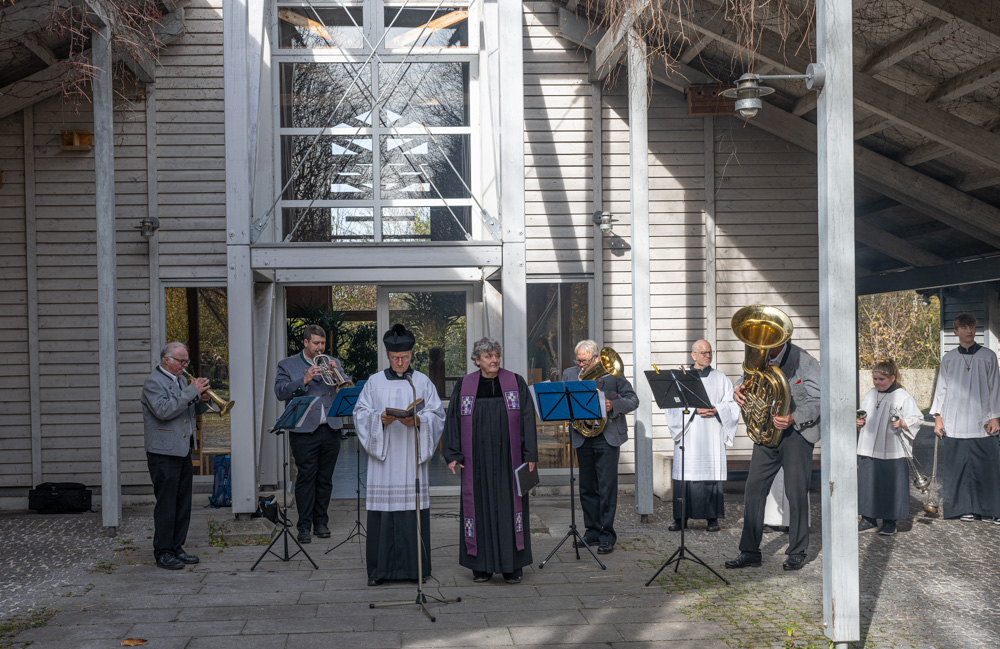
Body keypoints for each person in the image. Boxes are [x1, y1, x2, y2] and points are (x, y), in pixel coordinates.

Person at [353, 324, 446, 586]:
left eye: (405, 358)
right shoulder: (374, 382)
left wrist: (419, 422)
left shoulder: (422, 382)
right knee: (384, 512)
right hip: (384, 461)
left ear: (411, 354)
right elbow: (360, 414)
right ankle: (379, 571)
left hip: (410, 457)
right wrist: (379, 419)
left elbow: (437, 415)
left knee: (411, 508)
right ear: (387, 355)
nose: (400, 363)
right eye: (395, 358)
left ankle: (414, 570)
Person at [443, 337, 538, 583]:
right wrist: (453, 454)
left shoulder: (515, 382)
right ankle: (481, 566)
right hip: (477, 460)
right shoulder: (465, 385)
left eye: (496, 355)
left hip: (510, 459)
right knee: (479, 507)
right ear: (477, 360)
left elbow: (527, 418)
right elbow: (452, 420)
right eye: (488, 356)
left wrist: (530, 454)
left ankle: (512, 566)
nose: (494, 360)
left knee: (510, 507)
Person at [725, 338, 820, 571]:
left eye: (769, 341)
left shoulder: (805, 361)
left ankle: (797, 551)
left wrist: (793, 417)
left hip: (796, 434)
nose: (762, 346)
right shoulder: (758, 357)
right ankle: (749, 551)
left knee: (796, 494)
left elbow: (820, 399)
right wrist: (738, 390)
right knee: (754, 490)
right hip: (766, 433)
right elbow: (745, 380)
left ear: (782, 338)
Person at [563, 340, 639, 555]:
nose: (581, 365)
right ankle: (592, 531)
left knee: (606, 488)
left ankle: (607, 535)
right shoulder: (569, 374)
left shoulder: (612, 374)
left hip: (607, 437)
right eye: (578, 360)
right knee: (587, 487)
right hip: (583, 436)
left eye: (585, 361)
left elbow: (633, 400)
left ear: (596, 358)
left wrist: (613, 404)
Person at [274, 324, 347, 544]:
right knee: (306, 478)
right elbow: (280, 392)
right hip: (304, 430)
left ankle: (321, 522)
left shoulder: (332, 362)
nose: (320, 347)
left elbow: (344, 387)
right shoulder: (287, 364)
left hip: (331, 428)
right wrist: (304, 379)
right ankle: (304, 526)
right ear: (305, 343)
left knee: (325, 479)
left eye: (323, 343)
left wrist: (338, 372)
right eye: (316, 343)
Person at [141, 342, 210, 570]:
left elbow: (186, 411)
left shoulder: (180, 380)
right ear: (167, 360)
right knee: (167, 504)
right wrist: (192, 391)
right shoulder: (154, 382)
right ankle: (163, 551)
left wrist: (203, 402)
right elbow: (163, 411)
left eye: (186, 361)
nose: (185, 365)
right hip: (163, 452)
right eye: (181, 361)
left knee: (183, 504)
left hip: (182, 449)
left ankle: (177, 547)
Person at [929, 313, 1000, 523]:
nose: (969, 331)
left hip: (982, 421)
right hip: (955, 421)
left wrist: (995, 417)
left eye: (972, 327)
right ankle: (964, 508)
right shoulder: (949, 358)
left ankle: (991, 510)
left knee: (988, 468)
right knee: (957, 468)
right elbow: (940, 390)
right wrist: (938, 419)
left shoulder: (988, 356)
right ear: (956, 331)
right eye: (965, 327)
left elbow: (995, 388)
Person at [664, 340, 739, 532]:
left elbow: (731, 404)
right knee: (685, 475)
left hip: (712, 433)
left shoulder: (721, 378)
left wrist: (717, 409)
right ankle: (680, 519)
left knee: (711, 475)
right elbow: (672, 406)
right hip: (690, 434)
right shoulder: (681, 378)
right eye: (703, 352)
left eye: (710, 353)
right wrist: (694, 410)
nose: (707, 356)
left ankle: (712, 519)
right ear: (693, 355)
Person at [856, 359, 923, 536]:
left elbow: (917, 418)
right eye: (875, 379)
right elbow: (863, 413)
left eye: (881, 379)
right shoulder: (870, 394)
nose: (877, 383)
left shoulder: (903, 397)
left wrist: (903, 422)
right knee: (868, 482)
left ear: (892, 378)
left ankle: (889, 522)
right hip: (869, 445)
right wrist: (859, 421)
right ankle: (868, 518)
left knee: (890, 485)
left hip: (892, 447)